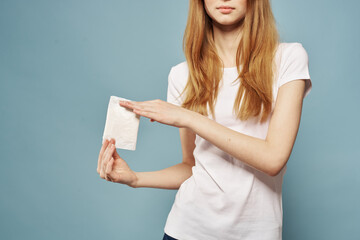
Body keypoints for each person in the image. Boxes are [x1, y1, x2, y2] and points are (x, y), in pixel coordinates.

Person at [97, 0, 312, 239]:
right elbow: (191, 166)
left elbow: (273, 159)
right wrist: (135, 179)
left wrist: (188, 117)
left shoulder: (288, 58)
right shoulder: (182, 75)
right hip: (186, 230)